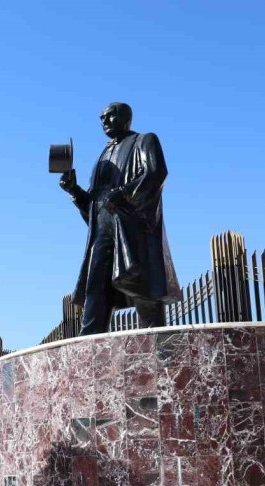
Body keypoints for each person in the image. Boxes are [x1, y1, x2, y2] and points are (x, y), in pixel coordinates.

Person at [58, 102, 180, 334]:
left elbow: (155, 173)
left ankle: (156, 340)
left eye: (110, 115)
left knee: (142, 286)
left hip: (131, 226)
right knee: (96, 287)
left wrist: (124, 193)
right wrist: (74, 191)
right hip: (102, 231)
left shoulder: (143, 140)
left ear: (125, 117)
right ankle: (89, 343)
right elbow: (95, 205)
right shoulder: (103, 155)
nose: (104, 120)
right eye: (101, 117)